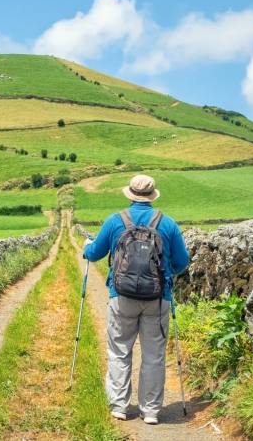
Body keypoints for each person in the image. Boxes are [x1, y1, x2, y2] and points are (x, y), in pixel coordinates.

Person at [82, 174, 189, 425]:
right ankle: (150, 411)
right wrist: (165, 274)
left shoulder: (115, 221)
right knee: (154, 355)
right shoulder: (168, 224)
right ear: (152, 197)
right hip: (158, 298)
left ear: (130, 194)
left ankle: (119, 406)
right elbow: (182, 262)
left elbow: (95, 253)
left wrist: (87, 246)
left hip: (121, 296)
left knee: (119, 351)